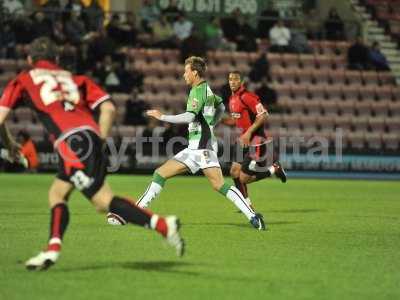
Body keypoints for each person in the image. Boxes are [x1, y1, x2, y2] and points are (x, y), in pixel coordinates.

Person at [0, 37, 184, 271]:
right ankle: (52, 250)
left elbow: (1, 118)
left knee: (103, 201)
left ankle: (163, 225)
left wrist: (10, 142)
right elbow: (108, 107)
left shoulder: (23, 80)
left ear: (29, 60)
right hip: (90, 137)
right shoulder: (76, 79)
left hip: (71, 143)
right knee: (58, 192)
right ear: (57, 59)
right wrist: (98, 142)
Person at [113, 56, 266, 230]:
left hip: (203, 147)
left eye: (186, 71)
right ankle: (134, 214)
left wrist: (162, 116)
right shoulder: (206, 90)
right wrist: (212, 122)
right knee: (160, 173)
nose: (184, 74)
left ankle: (253, 216)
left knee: (219, 185)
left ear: (194, 72)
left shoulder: (198, 91)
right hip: (194, 147)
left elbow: (190, 116)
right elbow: (221, 105)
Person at [226, 71, 287, 209]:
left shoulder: (248, 96)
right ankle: (246, 205)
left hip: (256, 141)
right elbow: (234, 121)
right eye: (230, 79)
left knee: (244, 178)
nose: (232, 82)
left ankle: (275, 168)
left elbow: (263, 115)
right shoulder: (232, 99)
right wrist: (219, 119)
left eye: (236, 79)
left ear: (241, 82)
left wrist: (248, 133)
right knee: (234, 172)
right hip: (243, 141)